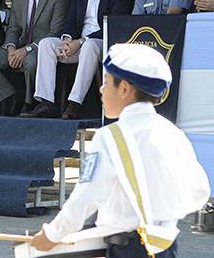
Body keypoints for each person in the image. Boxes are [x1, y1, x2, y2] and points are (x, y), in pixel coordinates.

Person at [30, 43, 210, 258]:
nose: (101, 89)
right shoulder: (172, 133)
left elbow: (86, 197)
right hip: (164, 246)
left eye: (106, 82)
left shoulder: (110, 137)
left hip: (128, 247)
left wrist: (52, 235)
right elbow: (199, 191)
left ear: (124, 89)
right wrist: (163, 218)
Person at [24, 0, 132, 119]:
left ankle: (74, 103)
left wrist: (80, 41)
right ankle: (46, 102)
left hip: (103, 43)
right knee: (46, 44)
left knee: (89, 46)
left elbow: (113, 26)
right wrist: (67, 40)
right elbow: (70, 20)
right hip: (78, 43)